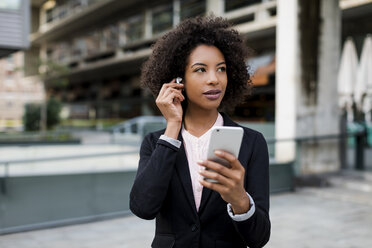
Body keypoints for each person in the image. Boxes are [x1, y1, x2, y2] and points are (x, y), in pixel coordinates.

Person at [130, 16, 270, 248]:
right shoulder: (156, 142)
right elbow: (143, 208)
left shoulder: (252, 142)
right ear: (178, 79)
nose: (214, 79)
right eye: (200, 70)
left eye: (221, 69)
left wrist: (240, 200)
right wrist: (172, 127)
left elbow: (259, 238)